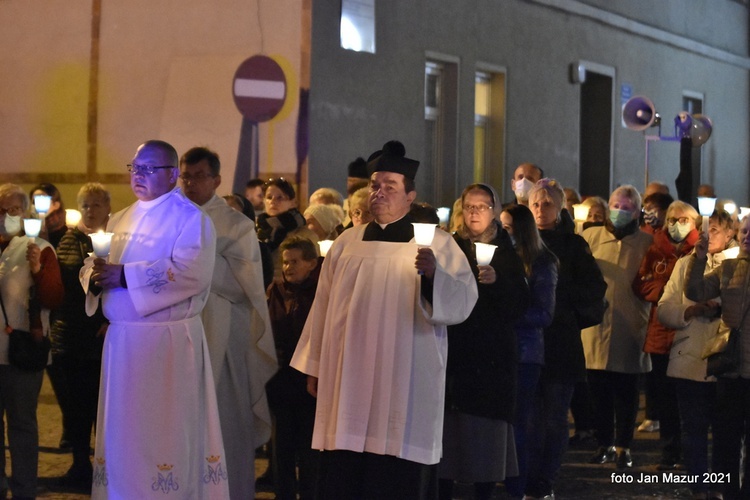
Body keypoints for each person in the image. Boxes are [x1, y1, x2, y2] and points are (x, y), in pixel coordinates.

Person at [290, 140, 478, 499]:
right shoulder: (347, 243)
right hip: (348, 375)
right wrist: (315, 365)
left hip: (405, 372)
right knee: (344, 463)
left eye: (390, 186)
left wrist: (434, 276)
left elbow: (463, 299)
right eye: (374, 185)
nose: (379, 193)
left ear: (410, 195)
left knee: (395, 469)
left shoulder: (437, 245)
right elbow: (323, 307)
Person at [81, 140, 229, 498]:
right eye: (135, 168)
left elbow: (192, 273)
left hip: (167, 345)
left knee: (163, 432)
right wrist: (94, 276)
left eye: (149, 168)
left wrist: (126, 276)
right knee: (122, 432)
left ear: (173, 174)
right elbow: (94, 263)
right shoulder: (121, 218)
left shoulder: (191, 219)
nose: (139, 176)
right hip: (122, 345)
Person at [179, 146, 278, 499]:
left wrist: (196, 263)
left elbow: (243, 287)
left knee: (224, 429)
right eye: (185, 176)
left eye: (199, 176)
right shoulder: (169, 219)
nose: (190, 184)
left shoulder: (235, 225)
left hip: (224, 344)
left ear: (217, 180)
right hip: (178, 342)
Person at [439, 184, 530, 500]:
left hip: (491, 360)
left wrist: (497, 282)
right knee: (448, 433)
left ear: (494, 210)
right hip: (455, 355)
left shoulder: (507, 254)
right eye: (469, 206)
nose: (475, 212)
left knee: (485, 435)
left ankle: (484, 491)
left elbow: (519, 305)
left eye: (482, 206)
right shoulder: (450, 248)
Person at [524, 178, 607, 498]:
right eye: (535, 204)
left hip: (561, 343)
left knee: (555, 419)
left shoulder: (573, 246)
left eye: (547, 204)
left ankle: (546, 478)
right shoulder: (519, 243)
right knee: (530, 418)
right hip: (529, 341)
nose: (541, 209)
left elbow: (594, 290)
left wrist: (566, 311)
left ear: (560, 208)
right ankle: (529, 478)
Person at [658, 209, 737, 500]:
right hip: (689, 358)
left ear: (730, 233)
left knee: (725, 433)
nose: (708, 234)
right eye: (705, 228)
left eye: (715, 229)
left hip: (727, 362)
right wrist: (688, 311)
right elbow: (665, 307)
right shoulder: (684, 265)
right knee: (693, 429)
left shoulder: (740, 264)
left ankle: (720, 486)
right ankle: (699, 488)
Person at [582, 185, 653, 469]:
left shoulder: (646, 243)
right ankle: (604, 443)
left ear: (636, 211)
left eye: (626, 207)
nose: (619, 211)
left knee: (627, 392)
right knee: (598, 392)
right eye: (615, 205)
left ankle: (624, 445)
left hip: (631, 326)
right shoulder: (589, 236)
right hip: (596, 326)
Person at [0, 184, 63, 500]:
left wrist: (38, 271)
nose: (5, 216)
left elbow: (54, 297)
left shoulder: (40, 247)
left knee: (22, 423)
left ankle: (24, 490)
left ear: (24, 212)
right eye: (1, 209)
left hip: (22, 351)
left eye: (12, 210)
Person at [684, 213, 750, 499]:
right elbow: (696, 290)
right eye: (744, 231)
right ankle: (727, 492)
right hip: (732, 369)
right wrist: (698, 259)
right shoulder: (729, 267)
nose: (747, 236)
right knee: (725, 439)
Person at [49, 182, 111, 490]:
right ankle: (78, 463)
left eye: (97, 204)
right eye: (85, 205)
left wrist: (107, 319)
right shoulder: (66, 240)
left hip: (100, 338)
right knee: (73, 407)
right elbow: (58, 283)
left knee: (100, 405)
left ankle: (103, 466)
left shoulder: (116, 242)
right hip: (69, 334)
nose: (90, 210)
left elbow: (113, 285)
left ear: (108, 208)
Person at [633, 200, 700, 470]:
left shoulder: (700, 251)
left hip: (690, 335)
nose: (676, 224)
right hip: (661, 335)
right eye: (672, 219)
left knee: (689, 400)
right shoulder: (655, 249)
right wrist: (664, 292)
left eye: (683, 219)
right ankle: (670, 450)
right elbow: (641, 283)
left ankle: (691, 452)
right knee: (665, 400)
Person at [499, 203, 558, 500]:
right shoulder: (500, 258)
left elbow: (544, 314)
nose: (502, 232)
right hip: (499, 351)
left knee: (519, 423)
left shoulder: (542, 262)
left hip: (525, 354)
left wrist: (504, 314)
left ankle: (517, 487)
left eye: (507, 228)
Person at [266, 236, 322, 500]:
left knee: (310, 450)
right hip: (281, 378)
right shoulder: (275, 291)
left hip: (310, 380)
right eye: (285, 262)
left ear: (312, 263)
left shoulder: (323, 291)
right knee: (282, 449)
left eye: (295, 262)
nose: (288, 268)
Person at [256, 178, 319, 279]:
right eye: (269, 197)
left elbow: (311, 270)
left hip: (288, 290)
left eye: (280, 198)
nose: (273, 201)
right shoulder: (256, 230)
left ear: (292, 202)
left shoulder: (304, 235)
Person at [30, 183, 67, 249]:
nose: (37, 205)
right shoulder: (28, 231)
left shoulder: (65, 236)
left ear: (56, 204)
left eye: (42, 200)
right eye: (34, 202)